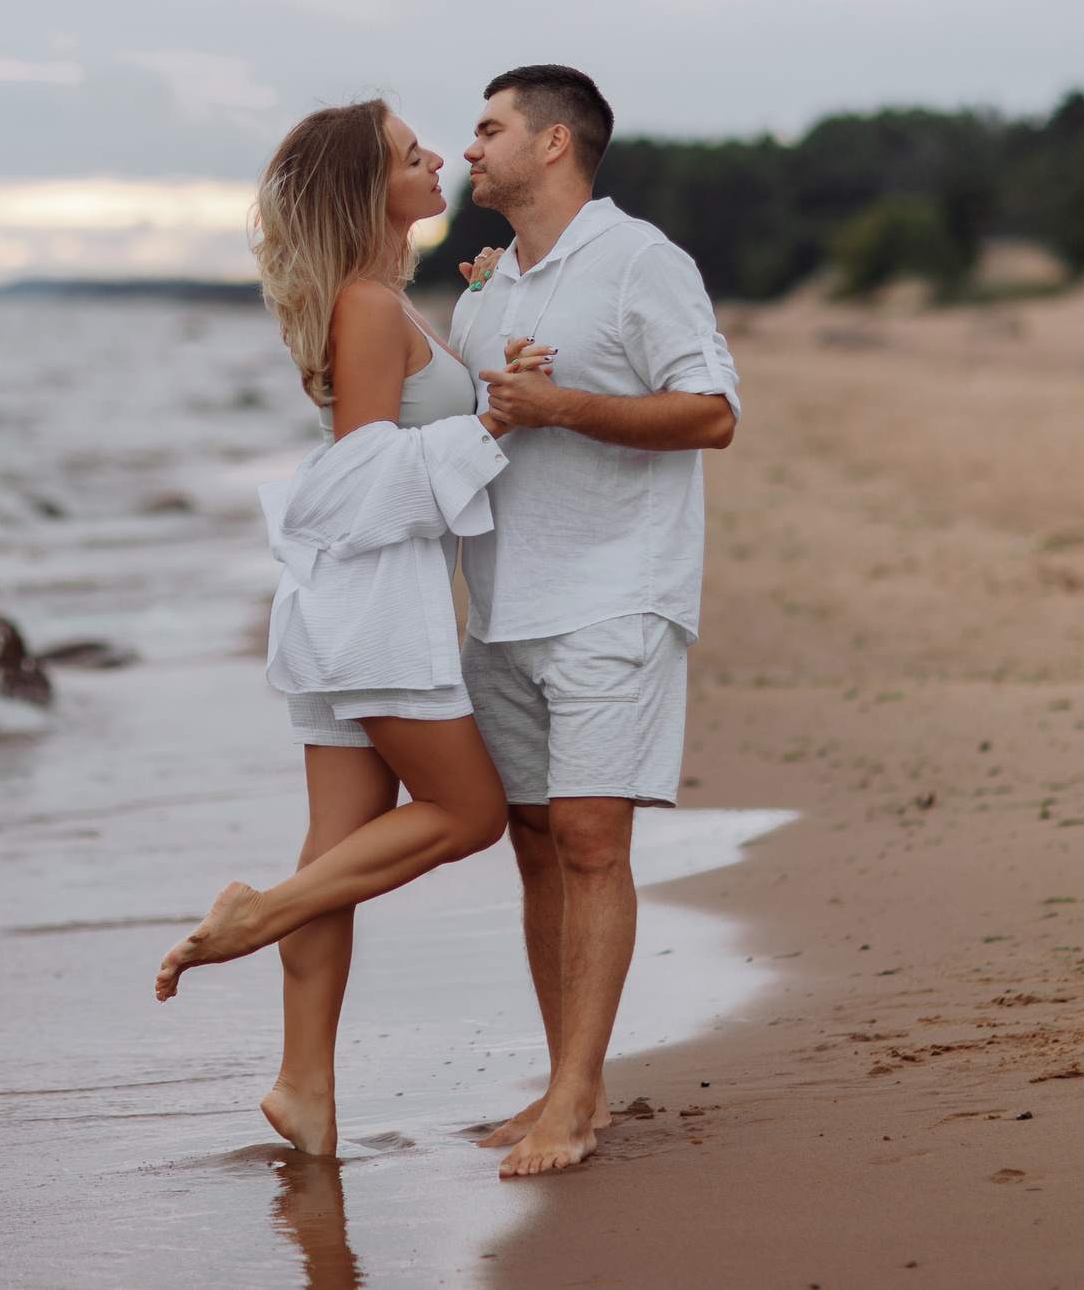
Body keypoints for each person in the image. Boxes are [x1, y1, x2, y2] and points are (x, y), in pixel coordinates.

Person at [153, 98, 528, 1160]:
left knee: (340, 847)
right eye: (412, 155)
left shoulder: (389, 302)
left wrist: (490, 316)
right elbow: (365, 474)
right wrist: (493, 421)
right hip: (373, 609)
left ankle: (303, 1088)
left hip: (347, 601)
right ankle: (253, 916)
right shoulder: (366, 307)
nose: (435, 161)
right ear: (371, 189)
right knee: (468, 814)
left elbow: (403, 431)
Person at [450, 64, 740, 1178]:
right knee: (533, 844)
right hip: (504, 603)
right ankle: (571, 1080)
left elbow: (712, 413)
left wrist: (561, 404)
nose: (468, 148)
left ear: (556, 143)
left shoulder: (639, 260)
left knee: (586, 838)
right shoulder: (488, 287)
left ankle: (574, 1097)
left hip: (617, 592)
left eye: (488, 128)